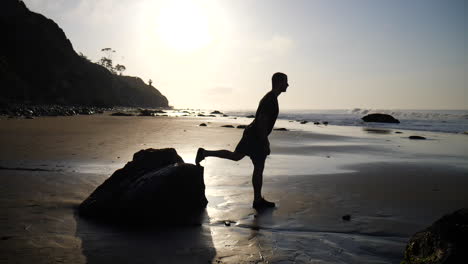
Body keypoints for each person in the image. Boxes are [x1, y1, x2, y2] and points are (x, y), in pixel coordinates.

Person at [195, 72, 289, 210]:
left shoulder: (271, 98)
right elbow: (262, 121)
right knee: (258, 167)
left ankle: (204, 153)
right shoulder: (270, 99)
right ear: (279, 82)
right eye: (285, 81)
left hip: (252, 133)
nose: (287, 84)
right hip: (256, 136)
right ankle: (257, 201)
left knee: (236, 157)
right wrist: (265, 142)